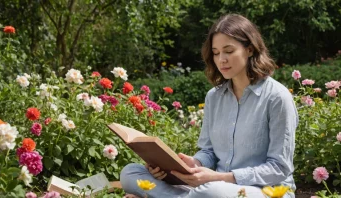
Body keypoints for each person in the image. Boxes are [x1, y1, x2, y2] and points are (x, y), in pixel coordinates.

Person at [120, 13, 298, 198]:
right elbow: (208, 151)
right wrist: (194, 163)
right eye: (216, 53)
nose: (221, 59)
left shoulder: (277, 97)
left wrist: (220, 178)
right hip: (213, 187)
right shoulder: (214, 97)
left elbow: (279, 168)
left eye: (228, 51)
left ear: (250, 49)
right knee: (130, 172)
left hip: (266, 191)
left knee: (211, 192)